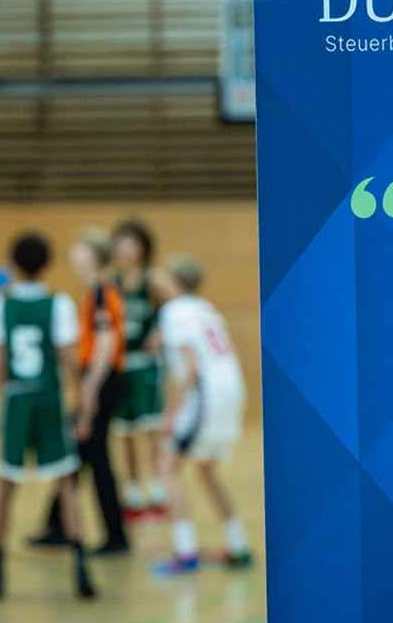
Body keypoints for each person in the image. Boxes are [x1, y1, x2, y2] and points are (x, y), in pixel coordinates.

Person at [0, 233, 96, 599]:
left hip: (17, 400)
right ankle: (81, 568)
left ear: (15, 263)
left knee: (6, 486)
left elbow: (0, 363)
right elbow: (71, 363)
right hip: (49, 399)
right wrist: (85, 407)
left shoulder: (0, 306)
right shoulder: (60, 304)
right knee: (66, 483)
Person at [31, 229, 130, 555]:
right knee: (78, 454)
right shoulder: (95, 290)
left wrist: (88, 393)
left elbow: (107, 344)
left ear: (93, 255)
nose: (73, 254)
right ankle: (59, 525)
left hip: (101, 379)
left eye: (80, 248)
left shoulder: (102, 291)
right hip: (100, 379)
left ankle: (116, 536)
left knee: (93, 455)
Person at [153, 255, 251, 574]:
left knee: (167, 467)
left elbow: (190, 367)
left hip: (205, 395)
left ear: (173, 280)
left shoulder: (174, 311)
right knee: (207, 471)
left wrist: (170, 413)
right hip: (231, 390)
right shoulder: (205, 308)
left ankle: (185, 551)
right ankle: (238, 544)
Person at [111, 219, 167, 520]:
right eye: (120, 241)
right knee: (126, 434)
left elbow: (175, 308)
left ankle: (159, 494)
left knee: (151, 432)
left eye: (129, 241)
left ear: (143, 246)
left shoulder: (154, 279)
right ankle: (133, 497)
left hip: (147, 368)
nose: (123, 247)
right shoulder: (113, 283)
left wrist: (160, 332)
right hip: (123, 366)